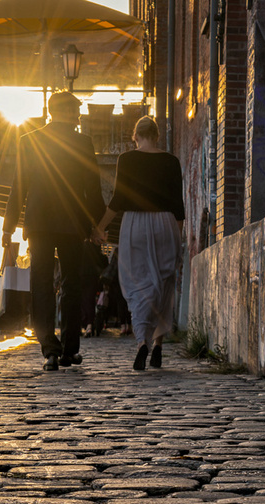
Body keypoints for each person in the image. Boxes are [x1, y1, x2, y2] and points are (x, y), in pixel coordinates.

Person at [1, 92, 106, 372]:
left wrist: (8, 228)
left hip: (39, 224)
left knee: (41, 284)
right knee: (72, 283)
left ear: (50, 111)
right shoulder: (83, 143)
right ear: (72, 113)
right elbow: (92, 191)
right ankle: (70, 349)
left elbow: (18, 187)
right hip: (72, 226)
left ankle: (49, 349)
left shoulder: (29, 140)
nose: (78, 117)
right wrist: (97, 226)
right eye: (77, 112)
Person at [94, 115, 185, 371]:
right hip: (166, 224)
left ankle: (141, 342)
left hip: (134, 225)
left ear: (135, 136)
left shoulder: (127, 159)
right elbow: (178, 206)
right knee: (163, 283)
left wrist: (100, 227)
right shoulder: (171, 161)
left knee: (137, 284)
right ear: (157, 135)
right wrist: (177, 238)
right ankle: (157, 345)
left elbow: (118, 200)